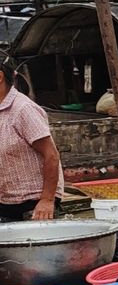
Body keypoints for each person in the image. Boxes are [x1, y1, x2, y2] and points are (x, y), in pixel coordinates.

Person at [0, 61, 62, 222]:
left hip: (34, 205)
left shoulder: (23, 109)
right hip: (6, 204)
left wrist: (47, 200)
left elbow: (51, 155)